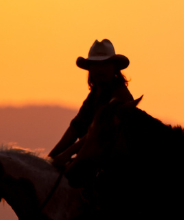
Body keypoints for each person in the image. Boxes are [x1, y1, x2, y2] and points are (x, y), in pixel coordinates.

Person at [50, 39, 135, 167]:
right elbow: (75, 129)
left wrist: (66, 154)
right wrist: (51, 158)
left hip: (113, 166)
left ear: (114, 67)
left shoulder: (120, 96)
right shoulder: (94, 95)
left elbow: (97, 134)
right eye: (95, 65)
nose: (100, 69)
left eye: (104, 64)